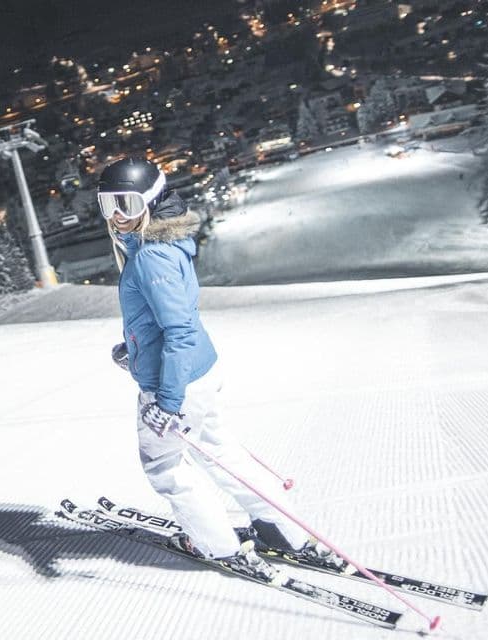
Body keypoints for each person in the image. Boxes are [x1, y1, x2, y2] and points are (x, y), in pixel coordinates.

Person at [98, 157, 344, 581]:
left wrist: (168, 402)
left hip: (176, 385)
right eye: (108, 205)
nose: (118, 215)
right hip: (199, 372)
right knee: (220, 453)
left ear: (152, 202)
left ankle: (217, 546)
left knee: (167, 468)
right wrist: (134, 350)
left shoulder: (149, 260)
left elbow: (178, 330)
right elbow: (170, 323)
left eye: (127, 202)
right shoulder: (162, 246)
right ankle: (282, 533)